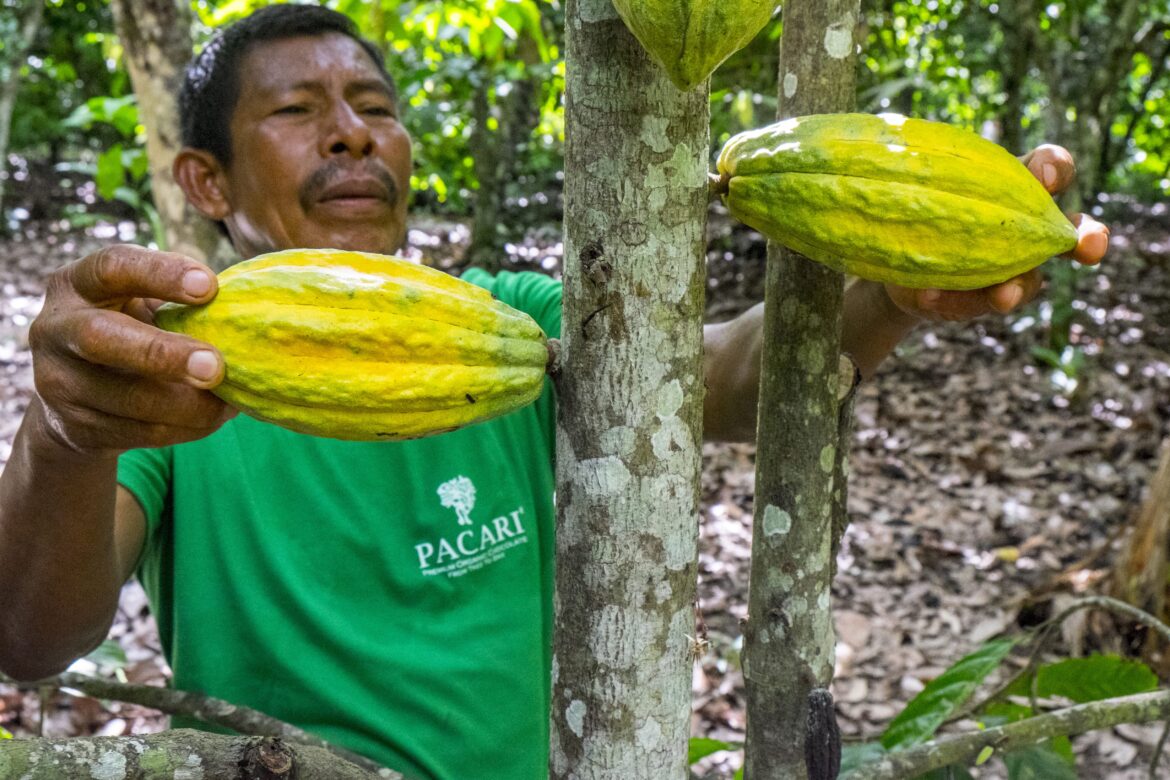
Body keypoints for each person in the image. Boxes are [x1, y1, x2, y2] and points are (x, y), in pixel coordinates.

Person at [0, 5, 1109, 779]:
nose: (351, 132)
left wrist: (897, 292)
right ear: (205, 180)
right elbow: (30, 636)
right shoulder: (164, 373)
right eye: (297, 111)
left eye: (374, 104)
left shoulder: (515, 320)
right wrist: (64, 433)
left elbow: (724, 378)